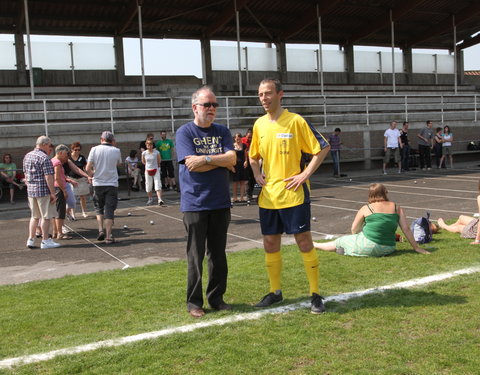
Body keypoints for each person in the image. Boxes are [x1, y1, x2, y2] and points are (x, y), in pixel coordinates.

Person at [249, 78, 330, 314]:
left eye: (268, 93)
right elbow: (253, 156)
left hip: (294, 195)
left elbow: (322, 147)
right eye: (260, 94)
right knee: (270, 243)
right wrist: (256, 173)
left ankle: (315, 294)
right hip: (269, 197)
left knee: (304, 242)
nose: (264, 98)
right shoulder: (259, 125)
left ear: (280, 94)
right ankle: (275, 292)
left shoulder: (296, 121)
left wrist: (304, 174)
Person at [176, 85, 236, 318]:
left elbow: (232, 158)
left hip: (220, 202)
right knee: (195, 255)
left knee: (218, 254)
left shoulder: (222, 131)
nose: (211, 109)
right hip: (195, 203)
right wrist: (220, 161)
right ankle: (194, 302)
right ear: (195, 107)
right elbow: (190, 164)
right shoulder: (185, 132)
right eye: (206, 105)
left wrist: (206, 159)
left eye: (214, 105)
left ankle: (216, 297)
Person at [314, 183, 430, 256]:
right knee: (350, 242)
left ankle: (316, 245)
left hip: (370, 246)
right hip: (389, 248)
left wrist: (361, 233)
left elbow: (354, 230)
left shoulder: (366, 208)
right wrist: (416, 248)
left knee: (342, 240)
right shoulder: (396, 207)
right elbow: (406, 229)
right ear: (385, 193)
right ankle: (346, 250)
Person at [23, 136, 60, 249]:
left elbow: (25, 173)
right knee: (45, 217)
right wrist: (53, 193)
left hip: (31, 190)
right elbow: (49, 177)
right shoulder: (44, 157)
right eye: (49, 145)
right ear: (44, 144)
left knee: (34, 217)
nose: (50, 147)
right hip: (43, 190)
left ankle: (31, 239)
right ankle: (45, 240)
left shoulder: (27, 155)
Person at [86, 131, 122, 244]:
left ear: (101, 139)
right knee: (109, 210)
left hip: (98, 183)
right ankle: (108, 236)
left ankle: (100, 230)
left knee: (99, 208)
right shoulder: (116, 150)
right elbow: (119, 163)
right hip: (111, 183)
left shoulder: (94, 149)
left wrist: (92, 174)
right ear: (112, 140)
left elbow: (88, 168)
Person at [51, 144, 72, 240]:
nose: (67, 156)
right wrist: (64, 190)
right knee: (60, 211)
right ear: (60, 153)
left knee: (55, 212)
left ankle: (55, 232)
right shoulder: (58, 163)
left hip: (54, 188)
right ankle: (59, 233)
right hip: (58, 188)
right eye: (66, 154)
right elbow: (57, 178)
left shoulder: (52, 161)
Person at [69, 142, 90, 218]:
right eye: (75, 150)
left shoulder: (82, 157)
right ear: (72, 149)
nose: (77, 151)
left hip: (81, 179)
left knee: (82, 196)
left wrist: (88, 176)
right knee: (72, 198)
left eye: (79, 150)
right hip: (72, 179)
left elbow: (85, 168)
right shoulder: (68, 158)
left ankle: (84, 212)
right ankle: (73, 213)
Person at [142, 139, 164, 206]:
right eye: (148, 144)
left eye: (150, 144)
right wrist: (148, 166)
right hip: (148, 170)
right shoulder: (144, 153)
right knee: (148, 185)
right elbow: (143, 161)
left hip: (155, 169)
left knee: (158, 184)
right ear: (146, 145)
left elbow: (159, 160)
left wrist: (155, 166)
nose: (149, 145)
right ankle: (150, 198)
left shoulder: (156, 152)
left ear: (152, 145)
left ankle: (159, 199)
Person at [231, 132, 248, 202]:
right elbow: (231, 156)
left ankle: (242, 197)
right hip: (235, 165)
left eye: (239, 138)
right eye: (236, 138)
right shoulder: (232, 146)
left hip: (242, 165)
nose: (237, 140)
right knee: (235, 182)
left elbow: (245, 155)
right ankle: (235, 197)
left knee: (242, 181)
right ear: (234, 139)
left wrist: (246, 161)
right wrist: (231, 165)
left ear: (241, 138)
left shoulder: (244, 145)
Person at [242, 128, 256, 201]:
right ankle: (247, 195)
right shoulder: (243, 141)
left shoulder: (254, 141)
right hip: (245, 161)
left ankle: (251, 194)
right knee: (247, 178)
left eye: (251, 137)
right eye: (248, 137)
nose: (250, 138)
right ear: (246, 135)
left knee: (253, 178)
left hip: (253, 161)